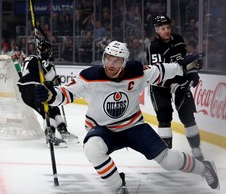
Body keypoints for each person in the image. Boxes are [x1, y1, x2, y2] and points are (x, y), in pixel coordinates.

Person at [28, 41, 219, 193]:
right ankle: (118, 187)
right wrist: (49, 94)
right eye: (108, 58)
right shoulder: (90, 76)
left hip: (134, 127)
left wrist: (181, 66)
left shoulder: (136, 72)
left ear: (124, 63)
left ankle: (205, 168)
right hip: (103, 129)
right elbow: (65, 93)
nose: (111, 64)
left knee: (168, 161)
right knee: (93, 149)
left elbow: (161, 70)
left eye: (117, 60)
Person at [147, 15, 204, 161]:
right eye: (163, 28)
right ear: (157, 30)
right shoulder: (155, 47)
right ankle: (166, 154)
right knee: (164, 116)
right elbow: (157, 74)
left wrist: (192, 73)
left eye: (168, 27)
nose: (166, 31)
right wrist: (172, 86)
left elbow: (186, 62)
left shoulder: (178, 39)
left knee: (188, 116)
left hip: (179, 81)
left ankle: (197, 151)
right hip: (159, 85)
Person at [17, 39, 79, 147]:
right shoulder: (39, 59)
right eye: (47, 49)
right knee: (48, 111)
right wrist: (54, 78)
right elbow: (49, 76)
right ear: (43, 49)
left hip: (25, 90)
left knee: (54, 107)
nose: (49, 51)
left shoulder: (30, 58)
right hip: (33, 87)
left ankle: (63, 131)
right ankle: (51, 138)